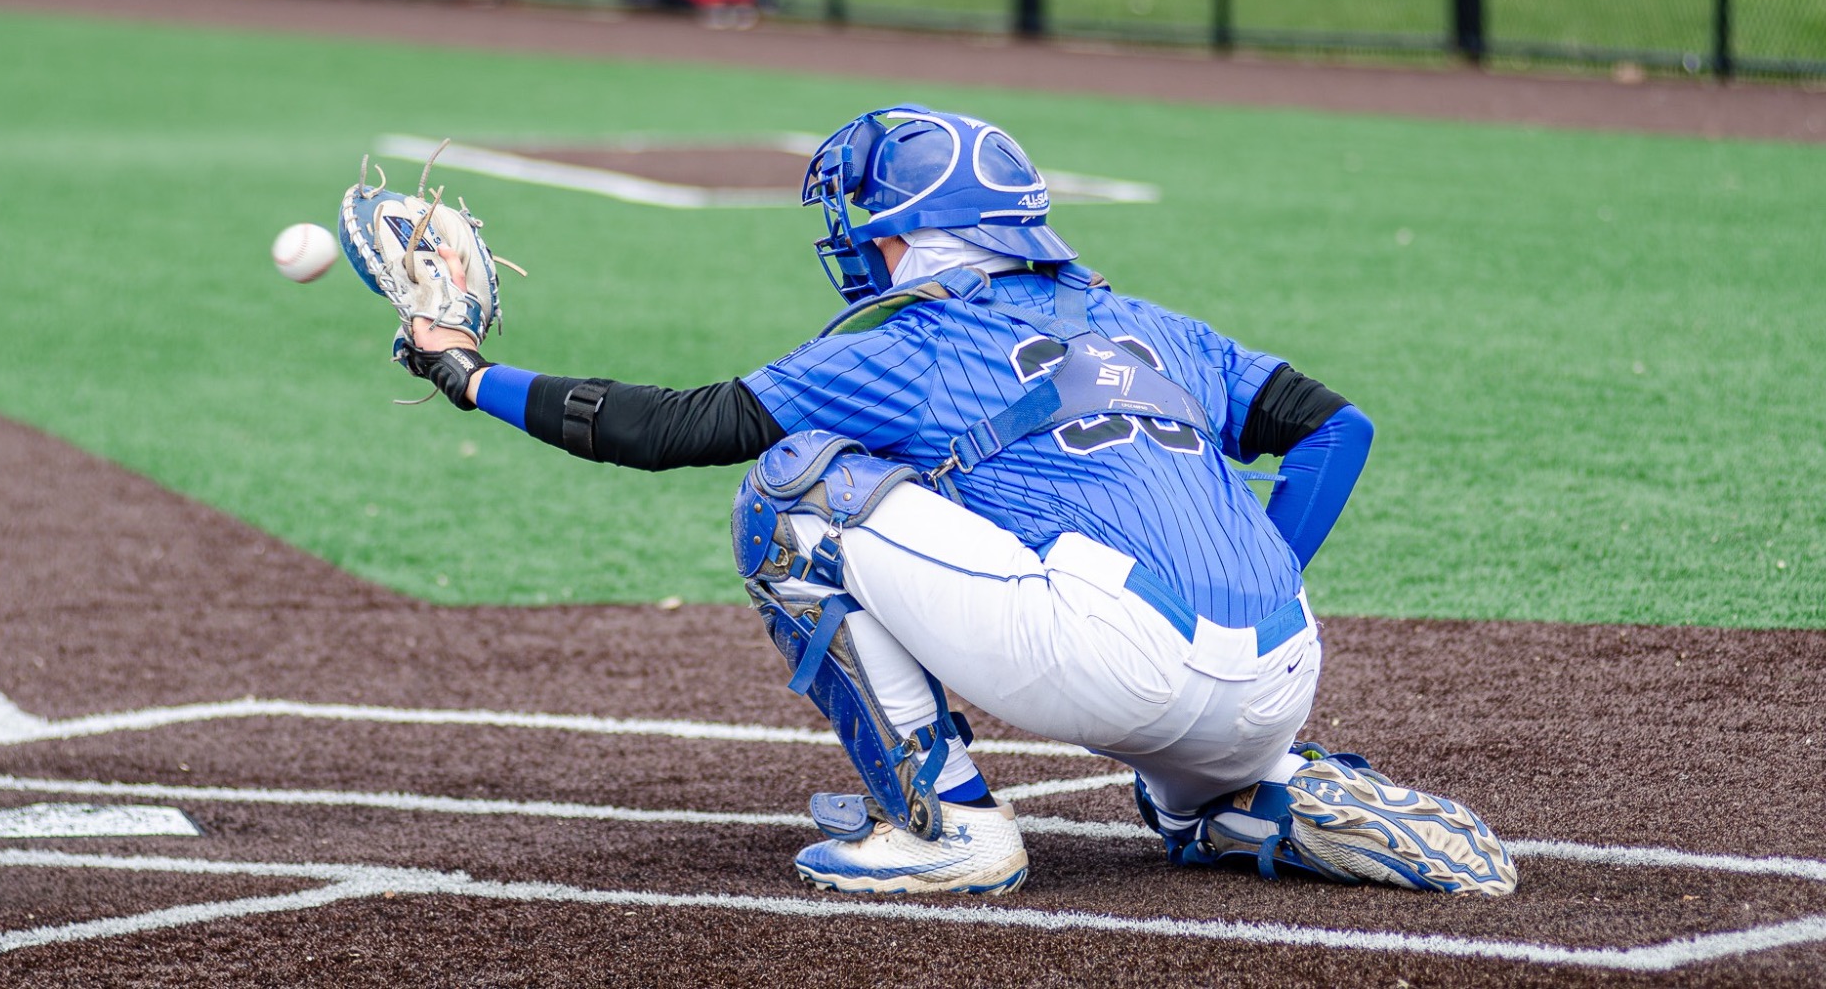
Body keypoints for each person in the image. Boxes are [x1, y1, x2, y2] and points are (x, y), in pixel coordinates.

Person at [343, 105, 1517, 897]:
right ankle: (1246, 800)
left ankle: (947, 824)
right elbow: (1336, 429)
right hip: (1276, 672)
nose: (857, 237)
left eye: (872, 219)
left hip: (1106, 655)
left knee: (791, 493)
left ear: (928, 234)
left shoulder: (911, 342)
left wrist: (465, 372)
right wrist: (1265, 559)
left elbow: (665, 431)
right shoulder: (1156, 324)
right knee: (1177, 717)